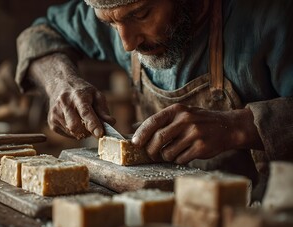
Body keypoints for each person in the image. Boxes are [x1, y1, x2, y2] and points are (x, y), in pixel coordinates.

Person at [15, 0, 293, 199]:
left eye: (142, 13)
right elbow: (40, 34)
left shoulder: (271, 17)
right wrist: (60, 82)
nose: (127, 43)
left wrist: (239, 127)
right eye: (109, 23)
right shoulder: (118, 11)